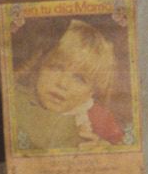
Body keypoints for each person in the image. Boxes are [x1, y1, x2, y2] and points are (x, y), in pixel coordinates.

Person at [11, 18, 126, 151]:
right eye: (56, 68)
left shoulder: (98, 116)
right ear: (39, 66)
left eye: (80, 79)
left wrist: (106, 148)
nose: (62, 84)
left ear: (92, 91)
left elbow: (122, 148)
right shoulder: (20, 100)